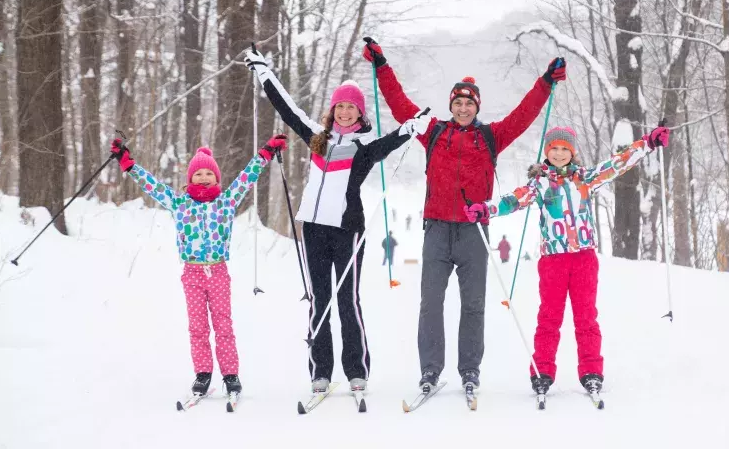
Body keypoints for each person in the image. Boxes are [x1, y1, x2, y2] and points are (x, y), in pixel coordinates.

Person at [362, 37, 567, 393]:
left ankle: (469, 370)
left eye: (468, 103)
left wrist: (546, 82)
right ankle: (430, 370)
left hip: (474, 232)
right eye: (457, 102)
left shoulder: (491, 137)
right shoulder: (434, 131)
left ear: (476, 107)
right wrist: (381, 65)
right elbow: (399, 105)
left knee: (473, 306)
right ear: (450, 105)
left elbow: (524, 113)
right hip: (437, 231)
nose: (462, 108)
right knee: (431, 304)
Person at [246, 49, 431, 395]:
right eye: (340, 107)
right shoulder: (318, 137)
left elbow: (391, 143)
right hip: (314, 230)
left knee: (347, 300)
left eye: (352, 108)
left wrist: (412, 127)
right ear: (333, 111)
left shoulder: (363, 146)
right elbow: (288, 109)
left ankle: (356, 370)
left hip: (348, 231)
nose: (345, 112)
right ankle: (320, 371)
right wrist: (264, 74)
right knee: (319, 300)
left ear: (360, 114)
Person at [464, 124, 669, 396]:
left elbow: (617, 164)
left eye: (564, 149)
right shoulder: (540, 183)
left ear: (572, 152)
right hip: (553, 262)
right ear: (547, 151)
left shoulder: (584, 178)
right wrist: (486, 210)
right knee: (549, 318)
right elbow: (514, 200)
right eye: (554, 149)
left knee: (586, 318)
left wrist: (648, 143)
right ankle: (543, 372)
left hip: (584, 259)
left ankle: (591, 371)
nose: (559, 154)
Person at [109, 134, 289, 398]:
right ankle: (203, 374)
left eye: (208, 173)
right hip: (192, 273)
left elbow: (246, 179)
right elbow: (154, 187)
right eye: (198, 174)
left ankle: (230, 375)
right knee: (198, 327)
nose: (203, 177)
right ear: (190, 179)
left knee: (223, 325)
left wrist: (265, 154)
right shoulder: (180, 204)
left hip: (217, 272)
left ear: (216, 178)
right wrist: (129, 165)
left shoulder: (226, 202)